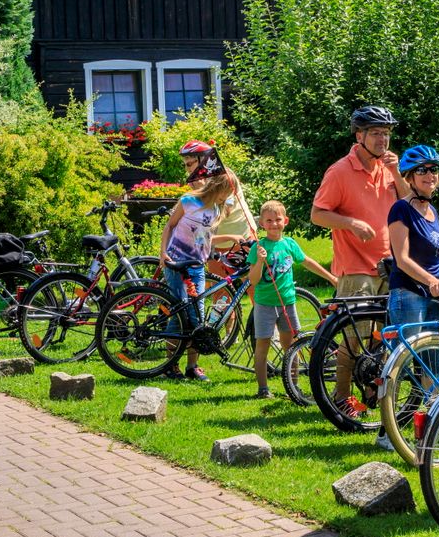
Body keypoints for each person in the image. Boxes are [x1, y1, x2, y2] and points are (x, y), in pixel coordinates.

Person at [310, 105, 410, 418]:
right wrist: (350, 223)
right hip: (355, 267)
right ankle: (341, 398)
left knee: (383, 337)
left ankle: (372, 396)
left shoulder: (388, 169)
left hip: (389, 265)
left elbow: (410, 204)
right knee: (355, 338)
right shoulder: (340, 171)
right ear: (360, 136)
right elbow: (317, 214)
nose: (383, 139)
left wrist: (396, 173)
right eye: (377, 133)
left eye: (387, 133)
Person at [160, 147, 242, 381]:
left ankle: (192, 366)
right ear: (218, 189)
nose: (229, 198)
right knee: (179, 313)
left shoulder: (217, 210)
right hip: (176, 262)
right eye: (227, 192)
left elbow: (204, 237)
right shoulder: (188, 201)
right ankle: (169, 365)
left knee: (198, 316)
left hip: (196, 265)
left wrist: (230, 239)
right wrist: (162, 253)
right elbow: (170, 226)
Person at [247, 200, 337, 399]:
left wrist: (330, 277)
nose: (274, 224)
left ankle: (293, 387)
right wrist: (260, 261)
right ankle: (263, 389)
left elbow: (307, 262)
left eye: (278, 219)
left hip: (287, 303)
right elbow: (253, 280)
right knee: (263, 345)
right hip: (264, 304)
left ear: (285, 221)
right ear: (262, 223)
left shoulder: (289, 244)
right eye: (268, 220)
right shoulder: (258, 248)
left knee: (292, 346)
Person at [386, 144, 439, 331]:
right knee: (405, 356)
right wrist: (432, 281)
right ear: (410, 176)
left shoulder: (433, 212)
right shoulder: (401, 209)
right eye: (422, 170)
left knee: (433, 358)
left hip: (436, 295)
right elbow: (402, 259)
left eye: (433, 169)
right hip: (409, 293)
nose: (430, 175)